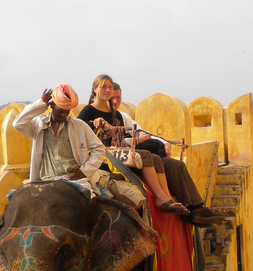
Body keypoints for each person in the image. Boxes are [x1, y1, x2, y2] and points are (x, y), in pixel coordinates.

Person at [110, 82, 225, 227]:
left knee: (176, 164)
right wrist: (134, 140)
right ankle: (182, 206)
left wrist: (163, 142)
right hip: (124, 158)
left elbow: (145, 133)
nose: (115, 101)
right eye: (112, 98)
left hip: (139, 156)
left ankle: (196, 208)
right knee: (155, 159)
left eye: (118, 97)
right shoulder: (100, 117)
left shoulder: (123, 116)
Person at [78, 74, 188, 215]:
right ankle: (160, 197)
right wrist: (94, 123)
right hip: (102, 153)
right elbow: (79, 128)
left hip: (117, 149)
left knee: (155, 158)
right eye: (103, 87)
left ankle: (166, 197)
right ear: (94, 89)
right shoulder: (89, 110)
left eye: (109, 87)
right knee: (146, 156)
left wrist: (137, 138)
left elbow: (125, 137)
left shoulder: (116, 115)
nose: (107, 90)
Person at [12, 85, 106, 195]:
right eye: (60, 111)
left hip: (74, 181)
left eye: (67, 112)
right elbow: (18, 124)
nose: (64, 115)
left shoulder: (79, 126)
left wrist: (85, 171)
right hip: (44, 182)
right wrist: (41, 104)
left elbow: (99, 149)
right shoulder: (38, 125)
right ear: (51, 105)